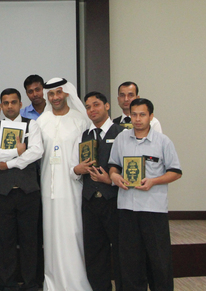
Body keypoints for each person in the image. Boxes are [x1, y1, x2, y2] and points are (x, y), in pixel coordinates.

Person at [108, 98, 182, 291]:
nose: (138, 119)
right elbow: (113, 165)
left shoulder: (163, 141)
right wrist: (114, 176)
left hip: (153, 209)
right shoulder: (121, 139)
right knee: (130, 261)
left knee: (159, 260)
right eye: (134, 115)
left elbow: (176, 172)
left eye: (142, 115)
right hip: (126, 208)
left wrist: (153, 181)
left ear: (151, 116)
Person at [35, 78, 92, 291]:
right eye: (51, 94)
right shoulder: (42, 121)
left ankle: (76, 283)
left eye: (59, 92)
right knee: (51, 236)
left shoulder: (81, 120)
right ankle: (53, 283)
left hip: (73, 188)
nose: (55, 97)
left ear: (67, 93)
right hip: (48, 189)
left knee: (73, 233)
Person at [0, 88, 43, 291]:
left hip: (29, 192)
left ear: (20, 104)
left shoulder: (31, 125)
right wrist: (16, 151)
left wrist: (8, 163)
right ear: (2, 106)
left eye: (13, 102)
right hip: (3, 194)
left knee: (30, 241)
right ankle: (7, 284)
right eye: (6, 103)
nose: (10, 106)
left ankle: (31, 283)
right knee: (4, 241)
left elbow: (36, 151)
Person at [73, 91, 125, 291]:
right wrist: (77, 170)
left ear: (107, 106)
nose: (92, 110)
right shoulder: (84, 135)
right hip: (90, 202)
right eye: (88, 107)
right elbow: (74, 168)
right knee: (94, 253)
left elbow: (131, 168)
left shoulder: (122, 133)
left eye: (96, 105)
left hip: (115, 201)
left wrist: (110, 180)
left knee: (121, 251)